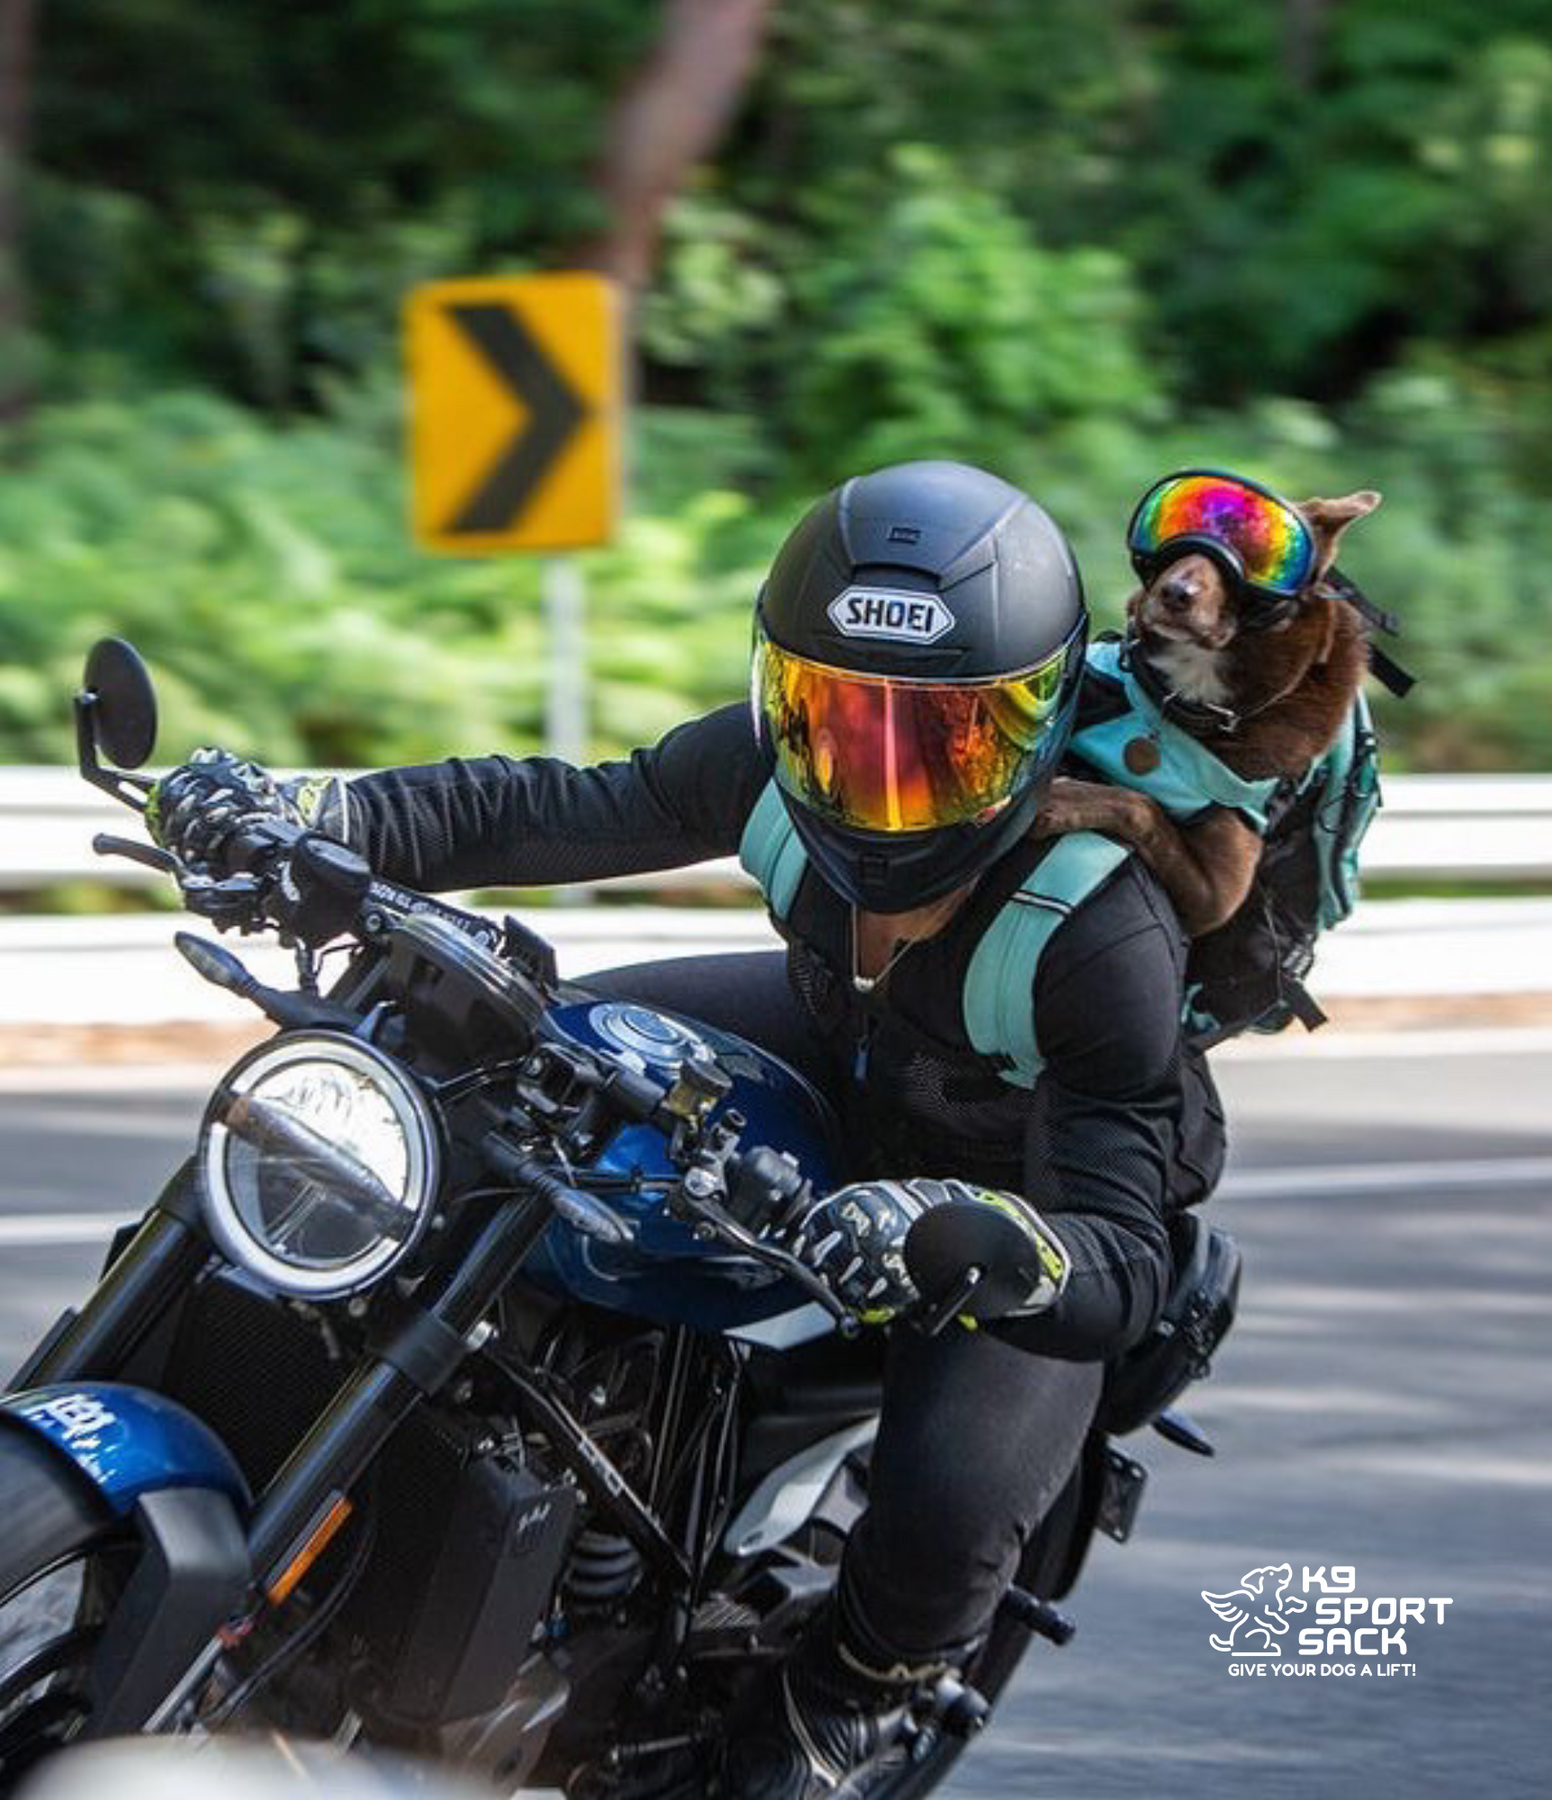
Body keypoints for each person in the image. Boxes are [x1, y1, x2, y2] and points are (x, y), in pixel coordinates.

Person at [148, 461, 1219, 1799]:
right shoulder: (763, 766)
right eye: (840, 721)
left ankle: (838, 1708)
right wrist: (327, 816)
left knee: (945, 1511)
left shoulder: (1101, 935)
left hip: (1009, 1184)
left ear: (1040, 726)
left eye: (944, 741)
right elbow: (560, 804)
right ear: (782, 694)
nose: (880, 782)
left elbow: (1123, 1252)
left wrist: (983, 1238)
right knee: (486, 1056)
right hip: (844, 1037)